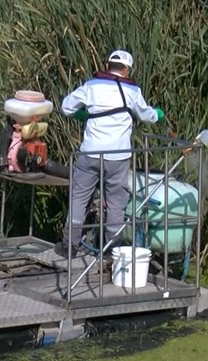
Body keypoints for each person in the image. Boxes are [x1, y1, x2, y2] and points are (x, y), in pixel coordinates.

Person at [59, 50, 165, 259]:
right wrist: (158, 115)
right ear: (127, 69)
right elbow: (148, 116)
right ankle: (111, 249)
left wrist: (83, 115)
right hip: (118, 156)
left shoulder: (91, 86)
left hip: (90, 153)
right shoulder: (132, 91)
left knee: (79, 198)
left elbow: (66, 107)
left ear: (108, 66)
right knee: (116, 202)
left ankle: (69, 245)